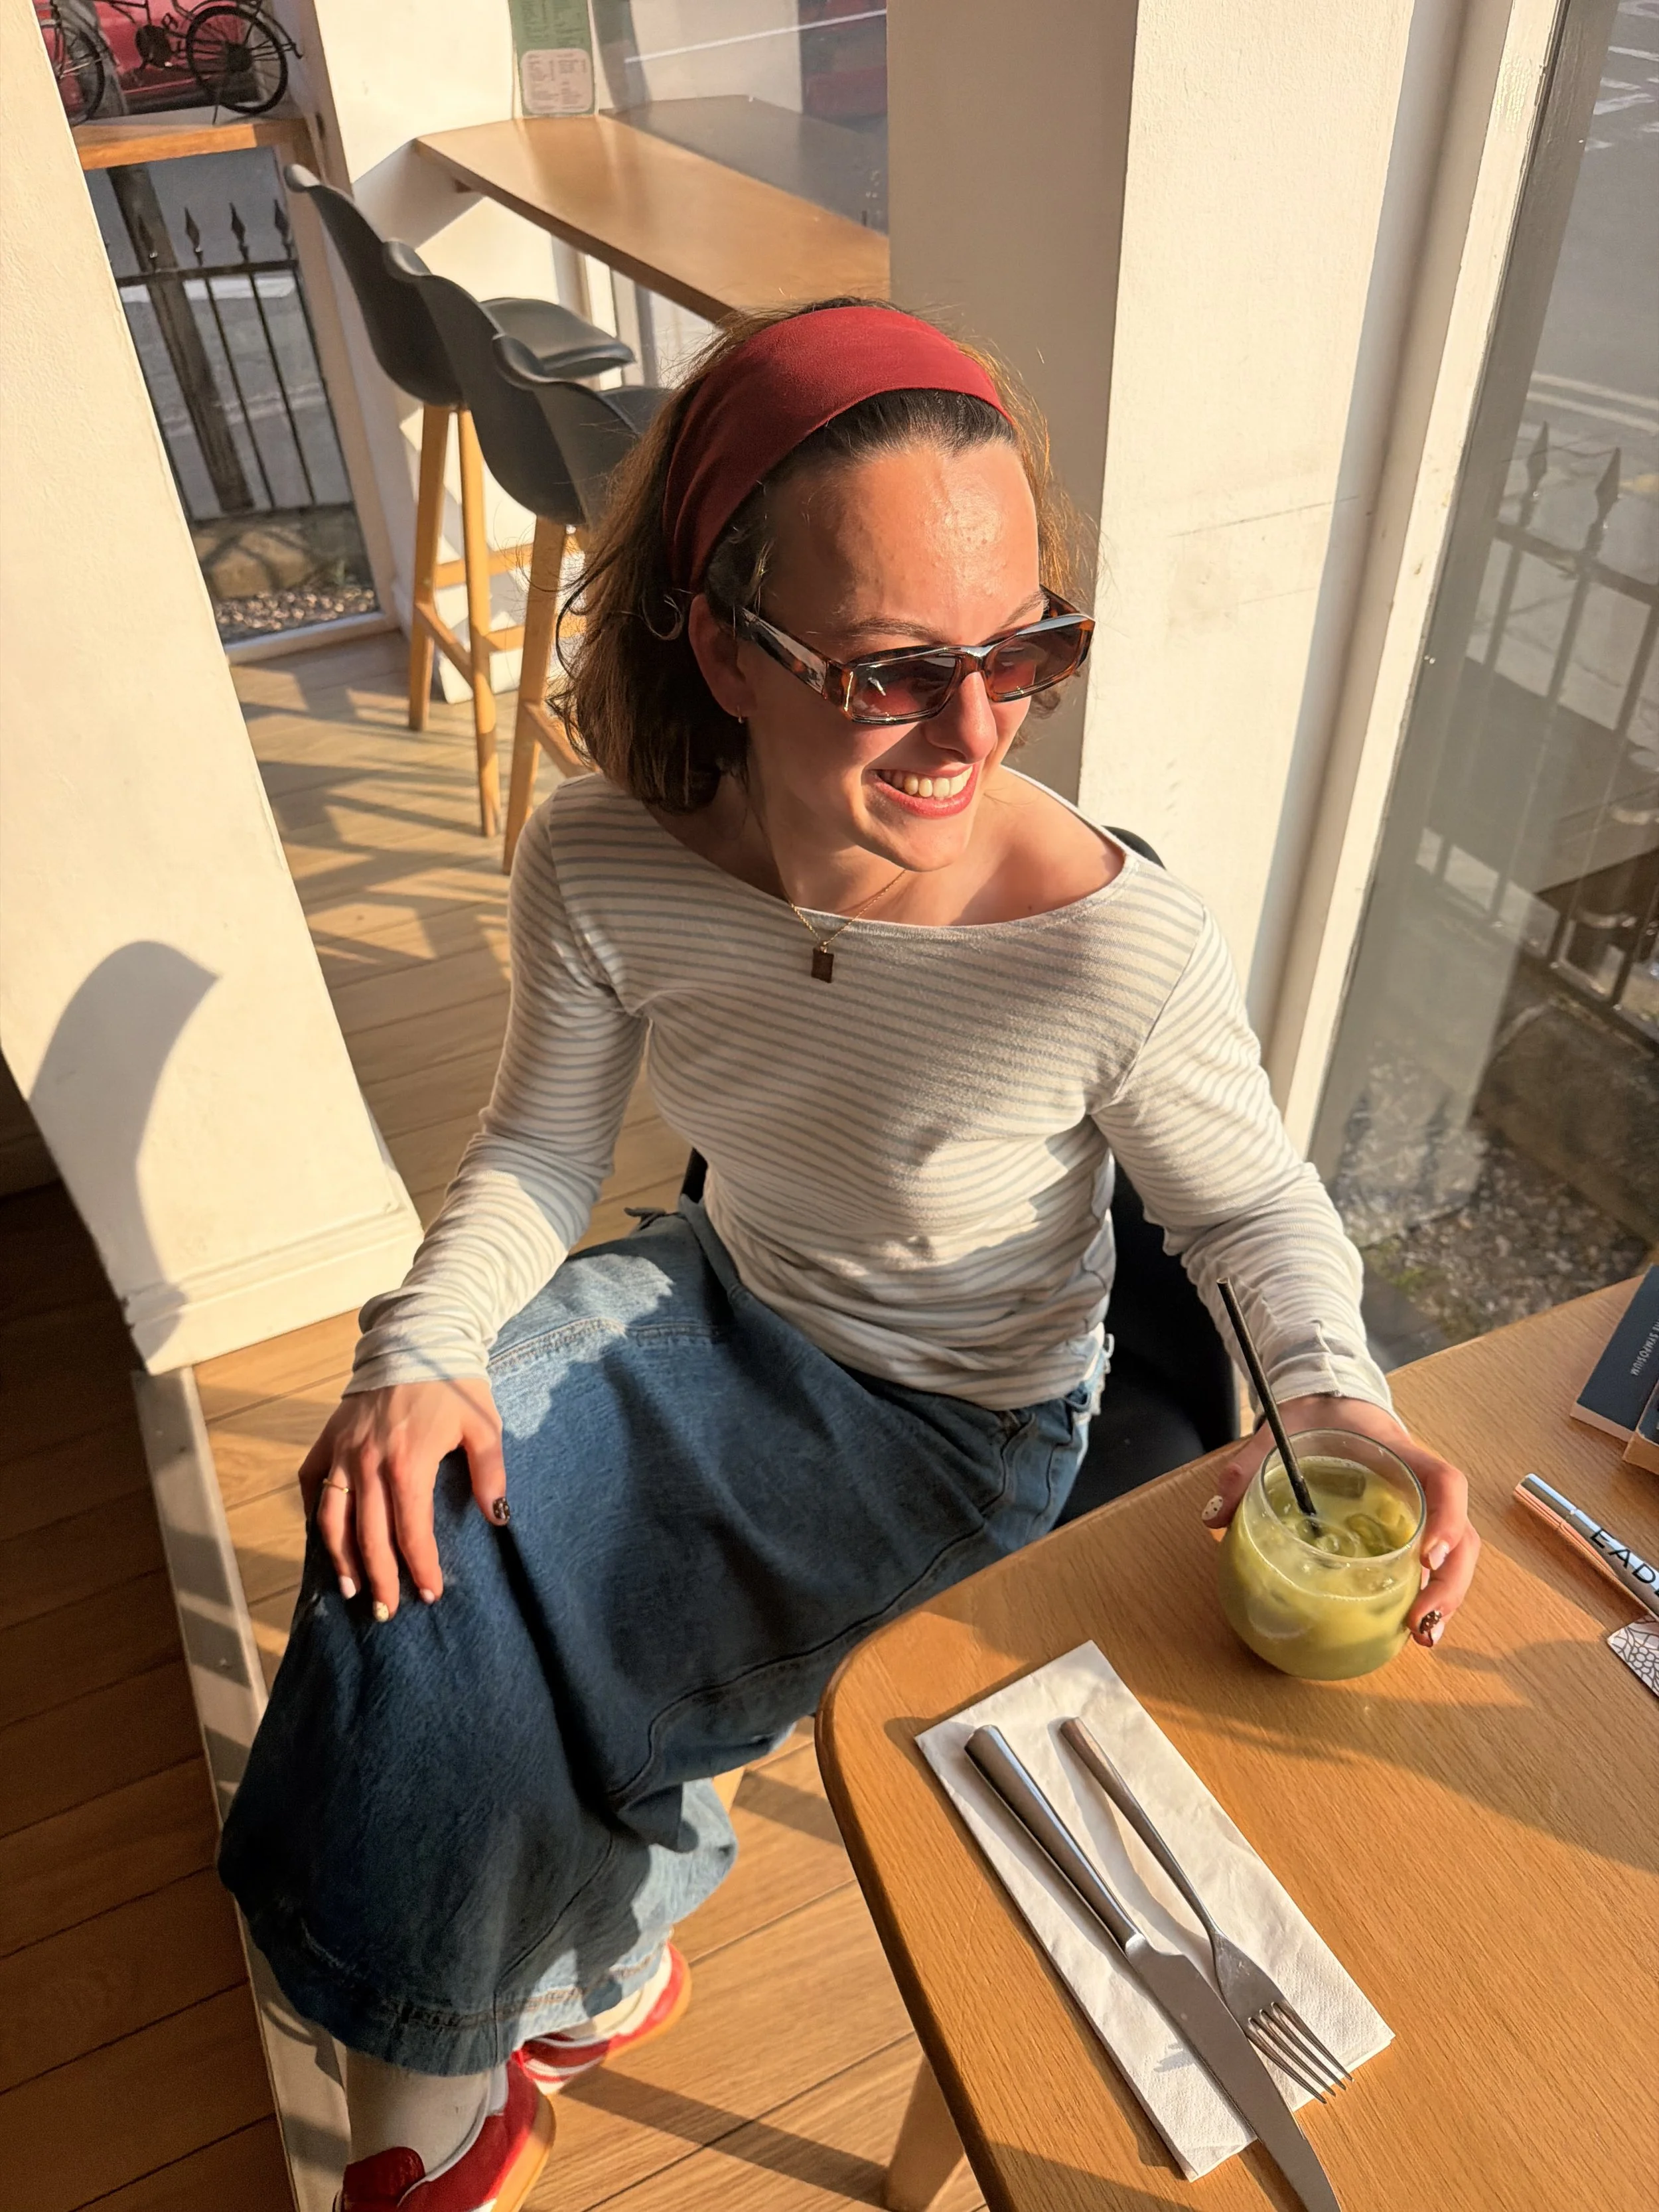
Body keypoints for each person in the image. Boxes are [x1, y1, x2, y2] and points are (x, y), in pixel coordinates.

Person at [220, 301, 1480, 2212]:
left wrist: (1331, 1387)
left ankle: (528, 2004)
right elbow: (546, 1148)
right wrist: (421, 1342)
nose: (972, 731)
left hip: (962, 1420)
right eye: (895, 670)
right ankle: (467, 2060)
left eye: (1024, 649)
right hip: (719, 1297)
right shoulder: (606, 859)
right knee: (394, 1517)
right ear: (722, 642)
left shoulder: (1108, 944)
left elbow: (1246, 1208)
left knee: (600, 1633)